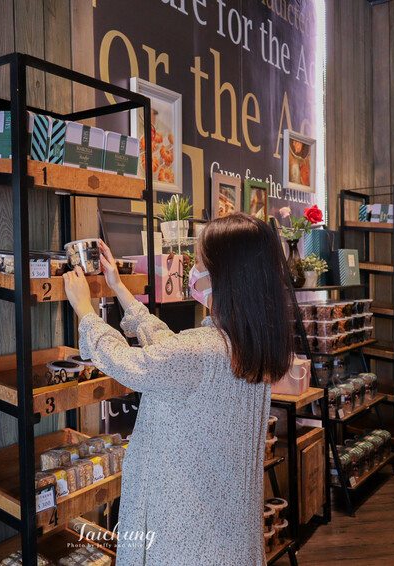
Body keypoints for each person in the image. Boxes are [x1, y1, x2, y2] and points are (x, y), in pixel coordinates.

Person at [63, 213, 294, 566]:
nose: (192, 272)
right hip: (229, 529)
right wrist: (119, 288)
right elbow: (171, 350)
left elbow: (129, 362)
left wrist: (84, 310)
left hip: (186, 531)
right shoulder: (250, 342)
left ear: (224, 276)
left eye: (198, 263)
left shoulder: (201, 349)